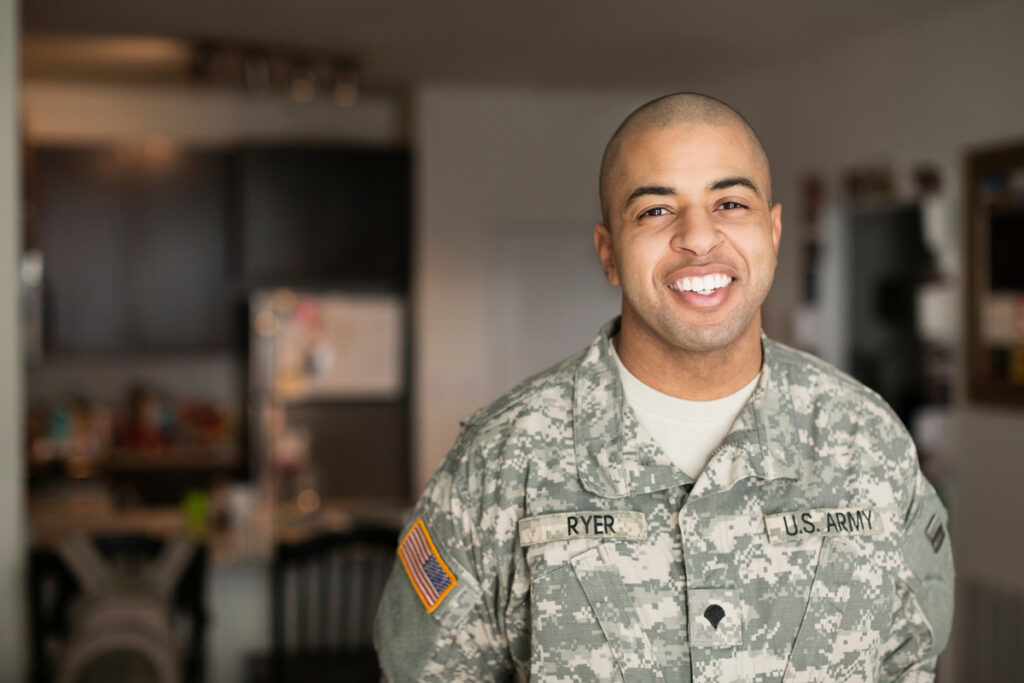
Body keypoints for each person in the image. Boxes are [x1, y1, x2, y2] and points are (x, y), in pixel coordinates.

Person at [374, 93, 954, 682]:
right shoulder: (499, 464)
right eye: (655, 211)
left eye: (729, 203)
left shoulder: (869, 443)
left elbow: (910, 662)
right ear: (608, 254)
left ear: (774, 233)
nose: (699, 238)